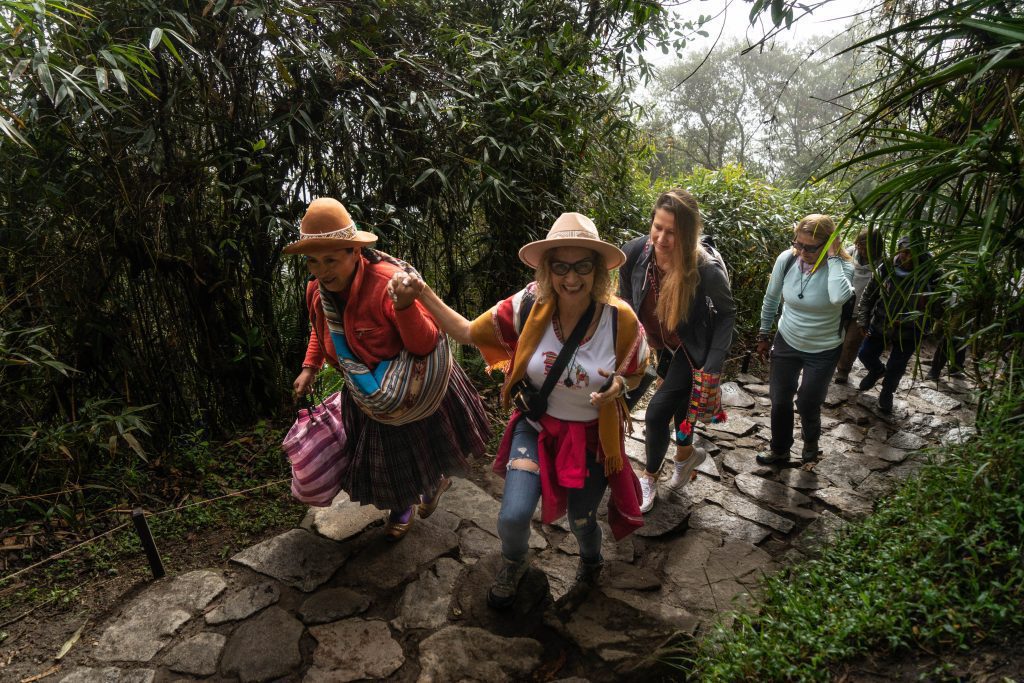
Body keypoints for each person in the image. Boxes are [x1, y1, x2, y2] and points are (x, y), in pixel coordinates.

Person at [391, 213, 649, 610]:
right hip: (537, 428)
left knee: (582, 520)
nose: (571, 278)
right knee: (512, 516)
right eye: (560, 266)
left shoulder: (621, 320)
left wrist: (617, 386)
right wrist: (422, 291)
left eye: (582, 266)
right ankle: (513, 563)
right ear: (547, 269)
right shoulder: (527, 305)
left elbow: (635, 374)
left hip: (593, 438)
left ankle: (591, 562)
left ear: (597, 270)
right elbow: (464, 331)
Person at [286, 197, 490, 540]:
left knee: (421, 448)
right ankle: (403, 507)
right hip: (368, 393)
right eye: (313, 261)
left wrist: (406, 306)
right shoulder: (317, 291)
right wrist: (310, 367)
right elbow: (320, 330)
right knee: (392, 463)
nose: (321, 270)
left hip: (414, 383)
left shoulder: (387, 284)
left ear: (355, 252)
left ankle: (427, 489)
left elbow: (425, 344)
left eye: (331, 259)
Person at [618, 189, 736, 513]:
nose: (661, 237)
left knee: (656, 413)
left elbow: (727, 313)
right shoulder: (634, 255)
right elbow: (626, 309)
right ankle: (686, 456)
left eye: (672, 231)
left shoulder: (704, 268)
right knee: (683, 409)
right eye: (658, 227)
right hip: (656, 346)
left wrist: (712, 363)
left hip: (689, 348)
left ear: (688, 232)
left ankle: (649, 476)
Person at [755, 215, 855, 464]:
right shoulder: (787, 260)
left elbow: (838, 298)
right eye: (798, 243)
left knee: (809, 402)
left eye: (809, 247)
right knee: (779, 401)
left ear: (830, 244)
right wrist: (764, 333)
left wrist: (832, 257)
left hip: (823, 348)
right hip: (787, 340)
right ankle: (779, 450)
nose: (801, 251)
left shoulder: (842, 268)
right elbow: (771, 299)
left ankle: (811, 441)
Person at [856, 235, 942, 412]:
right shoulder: (887, 267)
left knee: (897, 366)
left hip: (911, 330)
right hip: (881, 322)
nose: (908, 257)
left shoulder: (932, 274)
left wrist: (925, 321)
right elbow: (869, 294)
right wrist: (863, 319)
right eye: (905, 252)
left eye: (913, 254)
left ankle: (887, 393)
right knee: (865, 354)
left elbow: (940, 305)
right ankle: (876, 370)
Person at [834, 228, 884, 384]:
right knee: (836, 339)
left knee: (851, 343)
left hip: (863, 312)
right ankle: (829, 364)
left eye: (865, 247)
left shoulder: (883, 264)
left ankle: (843, 370)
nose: (861, 250)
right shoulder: (849, 254)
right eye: (859, 246)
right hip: (842, 306)